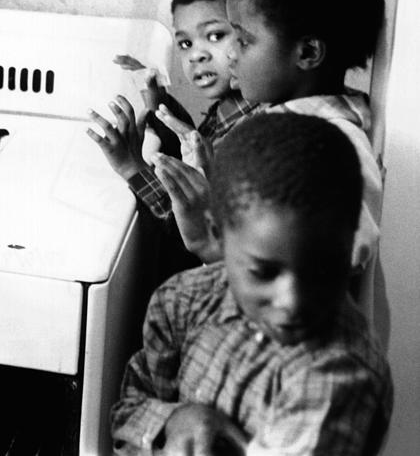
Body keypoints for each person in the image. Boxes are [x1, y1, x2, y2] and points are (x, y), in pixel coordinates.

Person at [152, 0, 385, 333]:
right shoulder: (284, 120)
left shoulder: (332, 143)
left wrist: (215, 241)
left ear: (308, 51)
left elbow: (331, 261)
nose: (231, 55)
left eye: (243, 39)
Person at [111, 113, 392, 456]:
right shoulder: (181, 301)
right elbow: (128, 411)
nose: (292, 300)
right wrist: (175, 419)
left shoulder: (340, 375)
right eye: (264, 272)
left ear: (350, 242)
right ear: (216, 233)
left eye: (321, 268)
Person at [88, 0, 260, 222]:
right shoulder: (232, 105)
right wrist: (159, 104)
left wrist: (131, 167)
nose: (196, 55)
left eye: (214, 36)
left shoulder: (249, 138)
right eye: (186, 43)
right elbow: (189, 150)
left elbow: (195, 229)